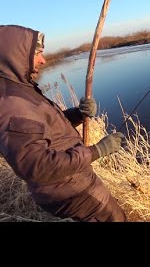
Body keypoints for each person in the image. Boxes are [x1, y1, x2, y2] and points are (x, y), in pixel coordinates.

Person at [0, 24, 127, 222]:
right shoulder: (11, 104)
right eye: (38, 54)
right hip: (70, 191)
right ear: (15, 54)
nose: (43, 60)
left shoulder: (21, 89)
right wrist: (97, 150)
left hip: (73, 181)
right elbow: (38, 167)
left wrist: (78, 114)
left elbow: (46, 132)